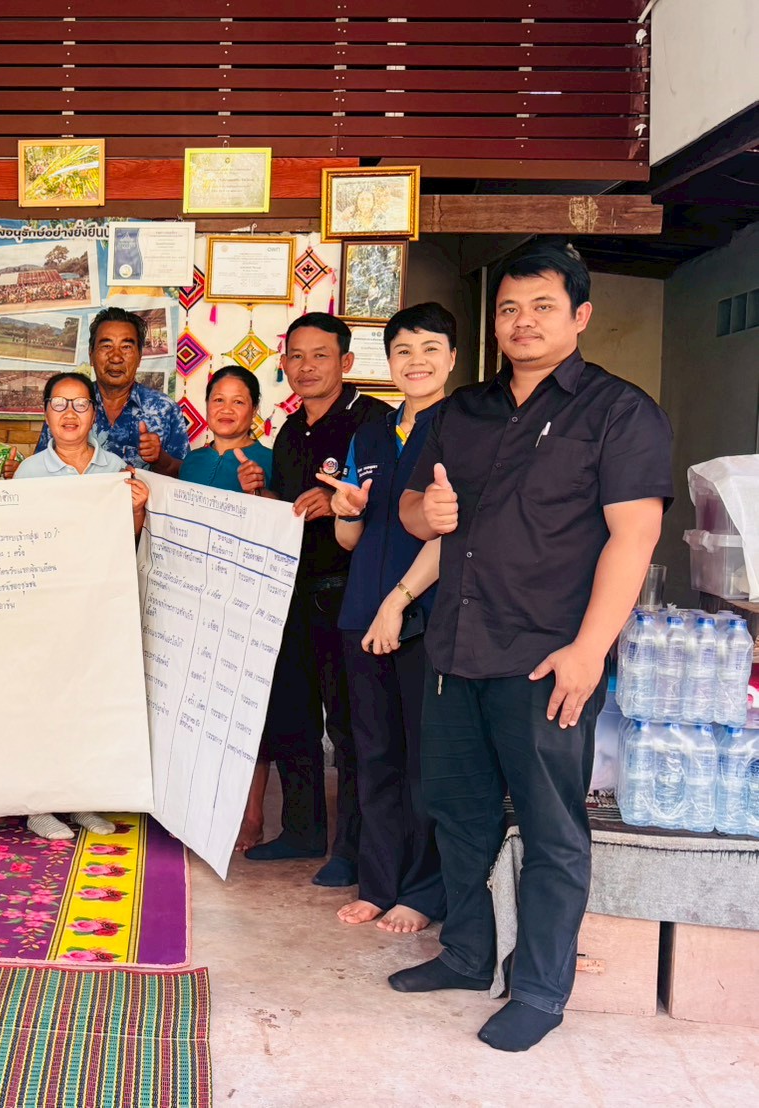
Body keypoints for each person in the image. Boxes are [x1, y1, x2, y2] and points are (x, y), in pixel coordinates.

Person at [394, 242, 671, 1052]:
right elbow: (415, 506)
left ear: (579, 316)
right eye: (509, 309)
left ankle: (541, 990)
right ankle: (466, 953)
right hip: (454, 647)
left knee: (551, 830)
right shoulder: (460, 411)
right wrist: (425, 518)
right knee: (456, 812)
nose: (522, 322)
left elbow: (634, 535)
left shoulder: (620, 412)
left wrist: (590, 649)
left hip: (548, 659)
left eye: (542, 307)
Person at [317, 303, 455, 933]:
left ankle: (423, 892)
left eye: (430, 349)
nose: (416, 362)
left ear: (452, 358)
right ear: (388, 362)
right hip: (361, 612)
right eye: (403, 351)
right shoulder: (370, 434)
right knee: (372, 755)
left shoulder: (465, 425)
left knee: (426, 759)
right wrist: (346, 509)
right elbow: (351, 540)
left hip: (428, 613)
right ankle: (379, 882)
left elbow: (455, 532)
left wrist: (400, 602)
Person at [243, 313, 391, 889]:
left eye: (320, 356)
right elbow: (292, 512)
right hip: (295, 593)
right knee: (293, 714)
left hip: (352, 593)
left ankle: (350, 849)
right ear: (284, 365)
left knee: (350, 727)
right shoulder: (290, 431)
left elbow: (387, 505)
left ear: (347, 363)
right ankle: (302, 830)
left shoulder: (372, 423)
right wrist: (267, 493)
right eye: (296, 357)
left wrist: (342, 505)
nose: (306, 367)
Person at [14, 371, 150, 840]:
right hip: (46, 606)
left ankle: (86, 801)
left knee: (93, 703)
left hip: (100, 606)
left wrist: (136, 510)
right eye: (59, 405)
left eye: (79, 405)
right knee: (46, 703)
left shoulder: (116, 470)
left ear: (94, 412)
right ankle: (42, 805)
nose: (69, 415)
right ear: (45, 413)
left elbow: (128, 539)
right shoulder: (29, 473)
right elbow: (17, 542)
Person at [35, 306, 189, 475]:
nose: (116, 357)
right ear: (91, 354)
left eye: (126, 347)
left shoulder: (164, 409)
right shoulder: (67, 405)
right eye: (106, 346)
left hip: (141, 502)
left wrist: (161, 459)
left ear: (139, 357)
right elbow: (42, 467)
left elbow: (185, 477)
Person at [178, 365, 274, 494]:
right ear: (207, 404)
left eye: (238, 402)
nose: (226, 409)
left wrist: (259, 493)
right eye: (219, 400)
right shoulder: (192, 460)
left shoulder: (272, 462)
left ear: (254, 410)